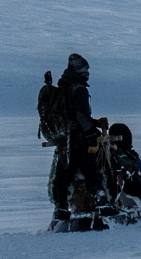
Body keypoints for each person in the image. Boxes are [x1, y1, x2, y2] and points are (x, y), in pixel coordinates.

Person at [42, 53, 101, 227]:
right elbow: (81, 116)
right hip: (78, 139)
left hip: (64, 140)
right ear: (80, 71)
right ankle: (102, 203)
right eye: (85, 70)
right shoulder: (78, 89)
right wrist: (91, 135)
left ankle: (61, 207)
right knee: (91, 171)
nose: (87, 73)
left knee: (63, 174)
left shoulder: (63, 87)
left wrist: (94, 123)